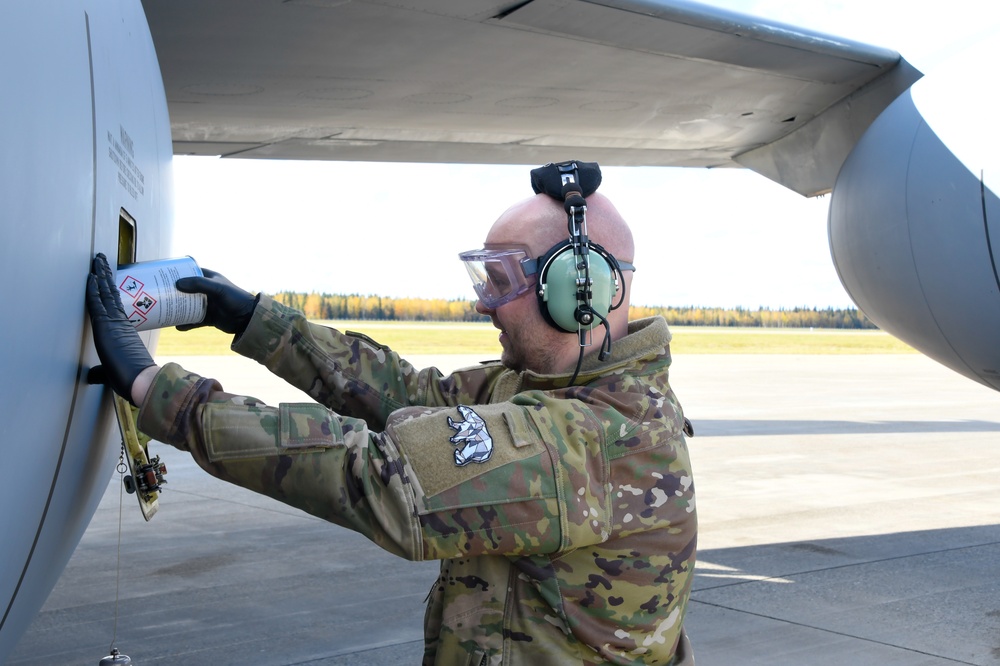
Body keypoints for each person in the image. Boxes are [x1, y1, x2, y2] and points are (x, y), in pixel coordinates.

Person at [86, 162, 697, 665]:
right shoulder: (556, 388)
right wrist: (254, 320)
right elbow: (410, 396)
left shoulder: (595, 439)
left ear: (577, 291)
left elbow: (378, 475)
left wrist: (157, 390)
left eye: (500, 279)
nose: (484, 306)